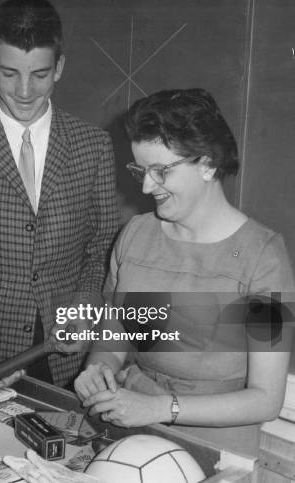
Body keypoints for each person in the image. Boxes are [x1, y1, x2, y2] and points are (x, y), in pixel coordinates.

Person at [74, 88, 295, 456]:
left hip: (218, 449)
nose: (146, 186)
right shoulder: (136, 234)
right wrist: (100, 367)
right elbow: (116, 328)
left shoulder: (263, 258)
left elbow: (266, 399)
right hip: (132, 429)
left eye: (160, 171)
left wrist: (163, 407)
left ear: (207, 164)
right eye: (141, 170)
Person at [0, 0, 120, 388]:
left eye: (40, 74)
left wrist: (80, 309)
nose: (25, 91)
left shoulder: (93, 145)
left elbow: (103, 249)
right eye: (10, 74)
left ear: (59, 67)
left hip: (72, 358)